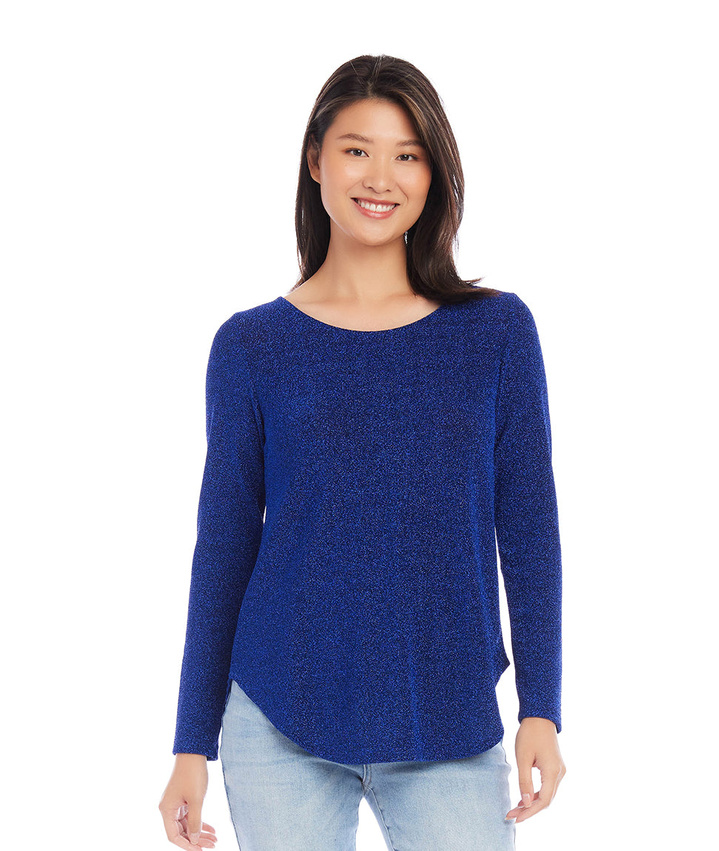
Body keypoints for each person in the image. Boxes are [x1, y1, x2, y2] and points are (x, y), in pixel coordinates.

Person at [159, 54, 566, 851]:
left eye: (407, 154)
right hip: (279, 717)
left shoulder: (497, 333)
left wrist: (542, 709)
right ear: (316, 160)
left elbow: (529, 529)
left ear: (433, 173)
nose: (381, 177)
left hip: (448, 718)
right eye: (357, 149)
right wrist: (189, 743)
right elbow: (226, 547)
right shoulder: (251, 346)